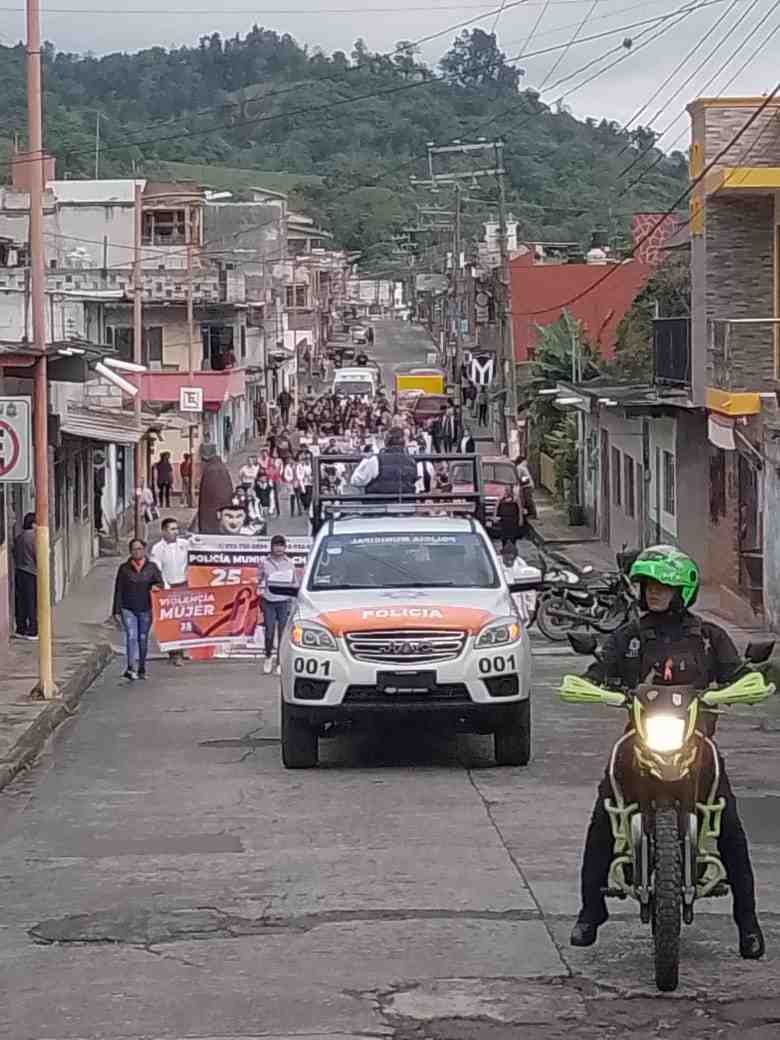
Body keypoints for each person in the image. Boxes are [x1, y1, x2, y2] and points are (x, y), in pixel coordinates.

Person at [570, 545, 765, 960]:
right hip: (638, 741)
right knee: (605, 812)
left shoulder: (709, 638)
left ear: (683, 590)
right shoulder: (629, 637)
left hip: (697, 743)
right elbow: (598, 672)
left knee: (728, 821)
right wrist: (588, 685)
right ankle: (591, 911)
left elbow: (742, 674)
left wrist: (746, 685)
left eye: (664, 585)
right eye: (649, 585)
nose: (654, 592)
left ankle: (747, 923)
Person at [112, 539, 163, 681]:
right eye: (134, 549)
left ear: (144, 550)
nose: (137, 552)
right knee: (131, 636)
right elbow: (118, 590)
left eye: (140, 549)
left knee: (142, 638)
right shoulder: (124, 568)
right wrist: (116, 611)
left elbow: (160, 583)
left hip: (146, 608)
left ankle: (141, 667)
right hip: (128, 608)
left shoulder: (151, 567)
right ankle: (130, 667)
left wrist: (156, 586)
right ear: (130, 551)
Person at [150, 517, 189, 667]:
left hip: (183, 585)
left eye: (176, 529)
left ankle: (181, 650)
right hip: (167, 588)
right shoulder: (157, 549)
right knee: (171, 622)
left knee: (182, 621)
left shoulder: (185, 545)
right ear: (164, 531)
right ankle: (175, 653)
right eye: (172, 529)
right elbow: (157, 570)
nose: (175, 532)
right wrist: (164, 586)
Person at [260, 535, 295, 675]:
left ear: (285, 547)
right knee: (269, 631)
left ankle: (280, 663)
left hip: (284, 601)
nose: (279, 548)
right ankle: (268, 657)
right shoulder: (264, 562)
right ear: (272, 547)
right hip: (268, 600)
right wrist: (260, 588)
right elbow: (258, 579)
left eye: (281, 545)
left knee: (283, 633)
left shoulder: (290, 563)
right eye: (276, 545)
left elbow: (294, 582)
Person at [350, 427, 417, 496]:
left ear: (386, 441)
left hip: (379, 504)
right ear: (404, 443)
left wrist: (366, 459)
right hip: (406, 504)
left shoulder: (375, 460)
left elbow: (355, 480)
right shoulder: (412, 461)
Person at [13, 512, 37, 639]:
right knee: (32, 601)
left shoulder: (19, 537)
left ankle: (20, 628)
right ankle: (33, 630)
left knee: (21, 601)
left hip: (19, 571)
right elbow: (38, 556)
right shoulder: (34, 538)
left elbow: (14, 552)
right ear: (33, 524)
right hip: (31, 572)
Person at [197, 453, 233, 534]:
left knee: (209, 518)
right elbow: (229, 487)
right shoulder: (224, 469)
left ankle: (208, 530)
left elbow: (204, 489)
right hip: (224, 501)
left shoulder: (208, 470)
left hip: (209, 502)